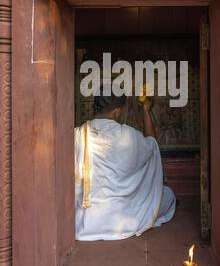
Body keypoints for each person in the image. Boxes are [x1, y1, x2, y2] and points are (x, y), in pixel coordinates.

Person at [74, 89, 176, 241]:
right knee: (168, 196)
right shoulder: (127, 135)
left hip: (86, 221)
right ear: (117, 112)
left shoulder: (77, 134)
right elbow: (152, 146)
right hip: (121, 219)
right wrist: (146, 111)